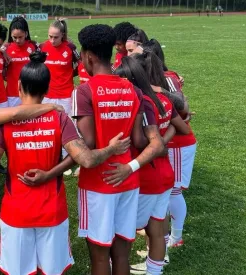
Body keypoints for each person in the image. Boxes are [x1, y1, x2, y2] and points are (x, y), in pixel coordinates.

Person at [0, 52, 132, 275]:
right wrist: (111, 149)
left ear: (18, 86)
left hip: (16, 212)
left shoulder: (5, 121)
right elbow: (86, 158)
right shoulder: (59, 117)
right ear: (46, 90)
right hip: (51, 211)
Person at [72, 24, 165, 275]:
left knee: (100, 258)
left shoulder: (83, 91)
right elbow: (137, 139)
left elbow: (88, 144)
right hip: (128, 179)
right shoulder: (133, 90)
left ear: (88, 56)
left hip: (98, 183)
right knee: (121, 254)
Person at [118, 53, 190, 275]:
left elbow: (141, 141)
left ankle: (115, 266)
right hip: (165, 173)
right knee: (157, 229)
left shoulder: (142, 102)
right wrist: (163, 140)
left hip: (146, 175)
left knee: (125, 230)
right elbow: (182, 124)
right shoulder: (163, 99)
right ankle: (154, 272)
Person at [142, 39, 197, 248]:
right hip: (170, 142)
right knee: (167, 192)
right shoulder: (150, 82)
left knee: (173, 191)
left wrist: (162, 91)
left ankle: (175, 237)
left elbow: (182, 106)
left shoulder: (168, 78)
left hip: (179, 143)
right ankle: (162, 238)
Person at [39, 18, 79, 115]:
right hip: (47, 95)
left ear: (62, 35)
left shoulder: (70, 48)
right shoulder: (42, 47)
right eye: (50, 36)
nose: (52, 40)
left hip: (66, 96)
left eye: (56, 37)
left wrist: (70, 74)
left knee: (66, 125)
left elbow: (81, 64)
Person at [3, 16, 39, 107]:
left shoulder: (34, 46)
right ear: (10, 34)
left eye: (20, 37)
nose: (18, 40)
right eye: (15, 37)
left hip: (30, 94)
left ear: (26, 33)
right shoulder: (5, 48)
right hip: (12, 94)